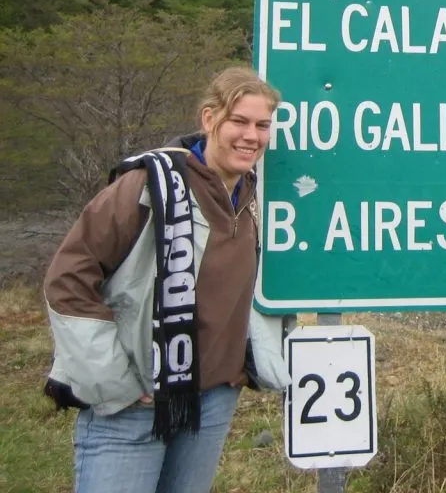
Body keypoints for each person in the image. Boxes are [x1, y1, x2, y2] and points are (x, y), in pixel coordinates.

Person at [43, 65, 290, 493]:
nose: (252, 136)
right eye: (239, 121)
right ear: (209, 119)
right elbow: (67, 282)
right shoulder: (145, 187)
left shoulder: (255, 201)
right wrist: (114, 381)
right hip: (133, 401)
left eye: (262, 126)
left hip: (211, 402)